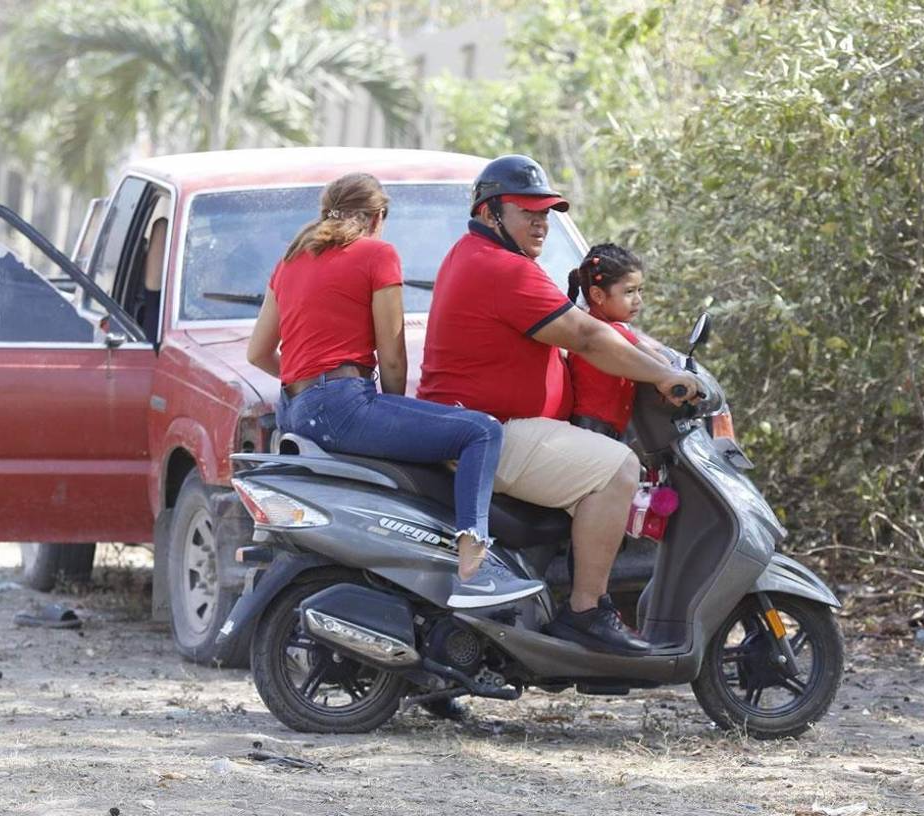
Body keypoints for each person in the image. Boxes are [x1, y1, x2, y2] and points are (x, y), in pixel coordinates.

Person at [418, 155, 701, 653]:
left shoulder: (484, 258)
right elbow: (588, 337)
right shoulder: (500, 267)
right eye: (527, 211)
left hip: (488, 427)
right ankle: (586, 612)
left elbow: (594, 329)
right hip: (494, 431)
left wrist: (652, 355)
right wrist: (663, 376)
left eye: (546, 212)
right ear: (490, 214)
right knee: (617, 469)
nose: (541, 221)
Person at [247, 172, 542, 609]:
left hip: (294, 408)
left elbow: (258, 353)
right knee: (480, 432)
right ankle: (474, 571)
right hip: (343, 405)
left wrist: (309, 379)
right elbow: (392, 357)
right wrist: (390, 403)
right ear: (378, 216)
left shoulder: (291, 260)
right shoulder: (377, 253)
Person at [565, 243, 669, 440]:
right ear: (598, 295)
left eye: (640, 290)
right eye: (629, 292)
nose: (638, 300)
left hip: (587, 425)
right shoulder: (611, 332)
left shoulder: (587, 326)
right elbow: (660, 363)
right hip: (596, 430)